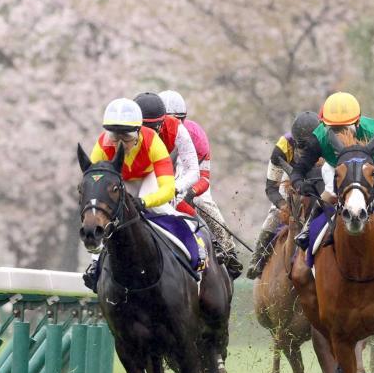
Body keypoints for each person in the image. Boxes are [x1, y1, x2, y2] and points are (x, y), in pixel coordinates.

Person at [290, 92, 374, 247]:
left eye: (343, 128)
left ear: (357, 123)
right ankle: (308, 228)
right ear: (324, 125)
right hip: (335, 167)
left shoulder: (372, 130)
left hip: (368, 164)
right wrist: (299, 184)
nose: (339, 134)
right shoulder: (319, 138)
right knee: (330, 192)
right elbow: (298, 170)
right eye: (334, 128)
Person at [82, 98, 177, 290]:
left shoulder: (153, 142)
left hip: (147, 178)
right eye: (114, 138)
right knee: (102, 214)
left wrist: (144, 201)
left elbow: (167, 189)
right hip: (119, 181)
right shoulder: (102, 144)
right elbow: (93, 184)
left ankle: (191, 254)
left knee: (162, 208)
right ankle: (95, 263)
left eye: (125, 138)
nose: (118, 144)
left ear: (138, 133)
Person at [158, 90, 243, 278]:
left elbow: (203, 177)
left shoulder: (196, 135)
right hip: (159, 184)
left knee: (204, 204)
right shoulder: (151, 135)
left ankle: (227, 249)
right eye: (167, 121)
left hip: (190, 182)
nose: (174, 126)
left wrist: (191, 192)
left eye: (179, 120)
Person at [246, 111, 320, 278]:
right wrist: (283, 206)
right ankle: (258, 259)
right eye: (300, 146)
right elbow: (271, 187)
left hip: (318, 175)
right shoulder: (282, 147)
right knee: (274, 215)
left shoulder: (327, 141)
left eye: (309, 147)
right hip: (291, 176)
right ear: (294, 141)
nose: (304, 151)